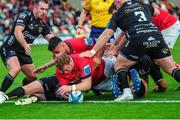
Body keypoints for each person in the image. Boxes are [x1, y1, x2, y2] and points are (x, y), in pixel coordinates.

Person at [80, 0, 180, 101]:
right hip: (156, 35)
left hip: (138, 41)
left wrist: (92, 51)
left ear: (118, 3)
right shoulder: (143, 5)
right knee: (171, 68)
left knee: (119, 65)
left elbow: (106, 35)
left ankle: (126, 92)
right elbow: (157, 13)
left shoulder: (118, 14)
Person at [0, 52, 115, 104]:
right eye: (62, 71)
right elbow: (63, 83)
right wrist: (64, 90)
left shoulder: (82, 62)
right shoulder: (60, 70)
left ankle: (35, 98)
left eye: (66, 70)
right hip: (77, 83)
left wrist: (70, 89)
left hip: (105, 72)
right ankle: (5, 97)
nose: (64, 72)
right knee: (30, 88)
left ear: (70, 62)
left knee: (63, 95)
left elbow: (87, 85)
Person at [0, 0, 54, 95]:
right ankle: (1, 94)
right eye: (42, 9)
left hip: (23, 52)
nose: (44, 12)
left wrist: (64, 45)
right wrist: (25, 45)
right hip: (10, 47)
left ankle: (25, 91)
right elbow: (17, 32)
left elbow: (52, 39)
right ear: (35, 7)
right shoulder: (25, 16)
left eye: (46, 9)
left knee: (32, 77)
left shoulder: (42, 24)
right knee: (15, 69)